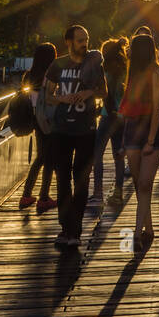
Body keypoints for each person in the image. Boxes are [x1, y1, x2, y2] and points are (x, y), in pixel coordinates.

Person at [44, 25, 107, 248]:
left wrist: (87, 93)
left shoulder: (93, 64)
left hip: (86, 129)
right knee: (62, 179)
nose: (84, 43)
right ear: (69, 42)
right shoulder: (57, 65)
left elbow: (103, 92)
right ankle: (65, 227)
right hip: (61, 130)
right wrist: (63, 98)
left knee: (81, 180)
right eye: (80, 40)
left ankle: (76, 230)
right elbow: (47, 96)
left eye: (86, 39)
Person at [118, 32, 159, 249]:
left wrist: (150, 140)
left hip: (151, 128)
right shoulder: (134, 72)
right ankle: (149, 227)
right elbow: (127, 106)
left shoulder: (157, 72)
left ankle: (136, 234)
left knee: (146, 182)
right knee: (139, 184)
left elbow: (157, 107)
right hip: (132, 128)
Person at [19, 41, 58, 213]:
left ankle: (27, 194)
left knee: (41, 157)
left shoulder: (28, 75)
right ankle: (43, 197)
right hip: (48, 119)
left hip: (35, 119)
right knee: (48, 158)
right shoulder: (50, 75)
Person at [91, 37, 128, 208]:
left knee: (97, 154)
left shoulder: (103, 70)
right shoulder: (124, 69)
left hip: (107, 116)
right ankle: (118, 191)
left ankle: (98, 193)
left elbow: (103, 94)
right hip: (121, 117)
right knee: (118, 156)